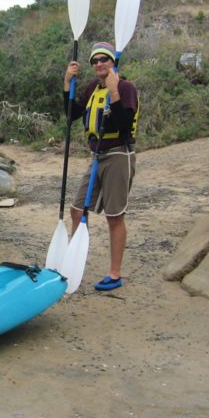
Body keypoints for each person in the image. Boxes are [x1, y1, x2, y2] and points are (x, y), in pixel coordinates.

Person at [61, 41, 139, 291]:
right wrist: (67, 83)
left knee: (114, 216)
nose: (99, 64)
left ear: (112, 62)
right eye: (95, 61)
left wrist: (114, 92)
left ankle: (115, 274)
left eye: (103, 59)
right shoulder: (93, 88)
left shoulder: (126, 87)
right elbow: (71, 113)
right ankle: (73, 262)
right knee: (76, 209)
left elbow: (124, 124)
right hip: (97, 156)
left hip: (118, 155)